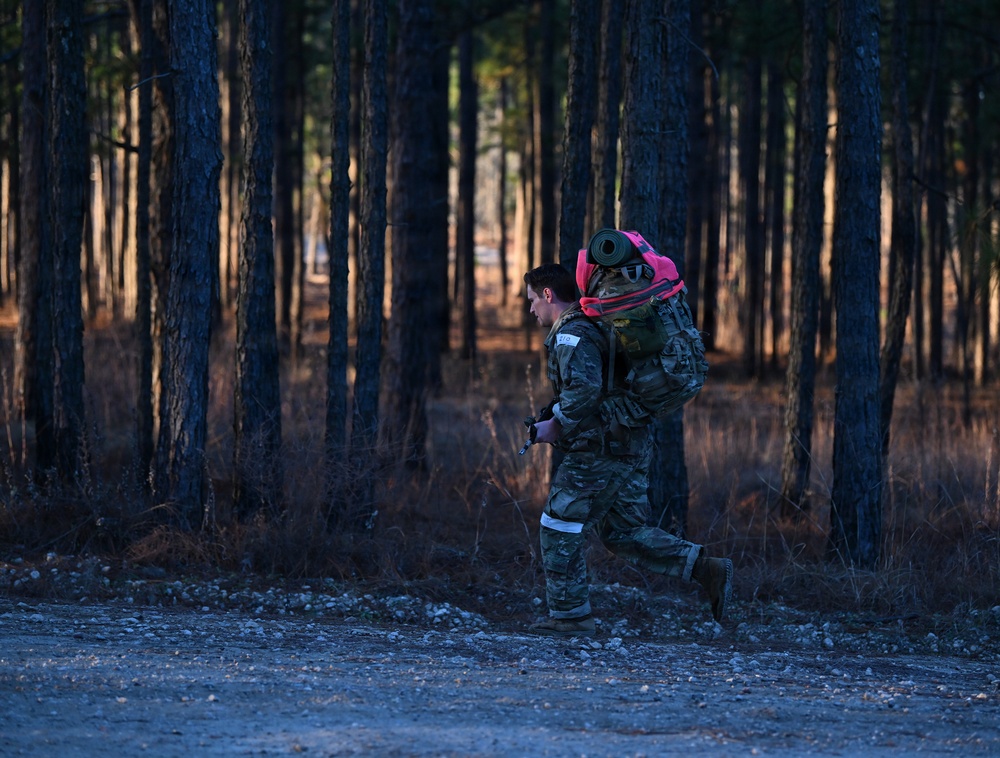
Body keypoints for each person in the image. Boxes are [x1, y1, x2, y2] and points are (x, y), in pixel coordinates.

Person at [523, 262, 733, 637]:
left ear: (549, 296)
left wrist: (557, 424)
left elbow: (585, 391)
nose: (531, 309)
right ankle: (705, 567)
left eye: (533, 300)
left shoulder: (572, 334)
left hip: (600, 447)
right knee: (623, 532)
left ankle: (571, 617)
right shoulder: (595, 325)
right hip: (630, 441)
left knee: (558, 523)